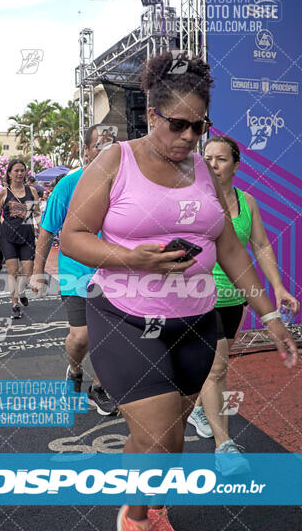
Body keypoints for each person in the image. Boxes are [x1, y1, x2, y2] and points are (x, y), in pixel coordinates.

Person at [60, 51, 298, 531]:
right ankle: (135, 519)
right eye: (178, 125)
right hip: (126, 317)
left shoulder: (203, 170)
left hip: (196, 323)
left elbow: (230, 248)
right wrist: (134, 258)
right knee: (162, 438)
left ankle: (143, 504)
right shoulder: (116, 160)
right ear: (151, 114)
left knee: (162, 445)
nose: (189, 137)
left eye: (199, 127)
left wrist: (270, 317)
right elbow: (73, 236)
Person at [187, 134, 300, 473]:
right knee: (217, 367)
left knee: (216, 367)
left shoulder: (246, 201)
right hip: (201, 295)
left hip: (236, 297)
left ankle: (197, 410)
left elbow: (261, 245)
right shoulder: (195, 199)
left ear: (236, 165)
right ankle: (225, 446)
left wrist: (278, 286)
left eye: (220, 159)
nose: (212, 164)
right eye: (207, 157)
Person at [31, 126, 117, 416]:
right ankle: (75, 369)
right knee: (81, 337)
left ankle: (99, 389)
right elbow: (46, 232)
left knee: (110, 336)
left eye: (111, 146)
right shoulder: (69, 185)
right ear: (86, 151)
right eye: (100, 146)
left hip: (116, 274)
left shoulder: (124, 183)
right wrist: (36, 272)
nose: (106, 152)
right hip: (77, 272)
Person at [0, 159, 39, 319]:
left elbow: (35, 215)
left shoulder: (32, 191)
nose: (19, 174)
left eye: (22, 171)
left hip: (27, 236)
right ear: (9, 173)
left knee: (28, 272)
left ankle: (22, 291)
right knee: (13, 272)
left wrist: (38, 233)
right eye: (16, 171)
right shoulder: (3, 193)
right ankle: (15, 304)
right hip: (8, 237)